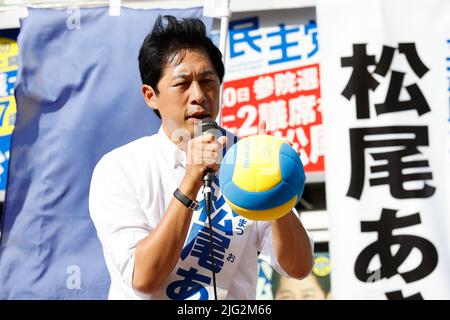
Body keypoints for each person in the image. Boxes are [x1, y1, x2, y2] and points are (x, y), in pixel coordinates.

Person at [89, 15, 314, 300]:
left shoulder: (248, 157)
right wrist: (191, 179)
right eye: (182, 84)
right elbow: (143, 278)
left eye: (208, 81)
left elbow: (299, 267)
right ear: (150, 95)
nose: (198, 95)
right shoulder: (120, 168)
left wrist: (276, 181)